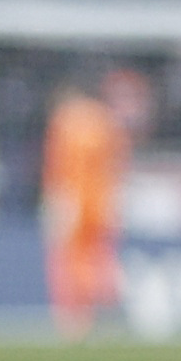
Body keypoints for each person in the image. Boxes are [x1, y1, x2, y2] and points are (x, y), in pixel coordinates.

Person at [38, 69, 145, 333]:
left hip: (72, 200)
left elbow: (57, 166)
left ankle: (75, 319)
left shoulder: (65, 120)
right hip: (102, 200)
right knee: (99, 256)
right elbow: (119, 163)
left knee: (68, 259)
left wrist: (55, 199)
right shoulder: (105, 121)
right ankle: (107, 306)